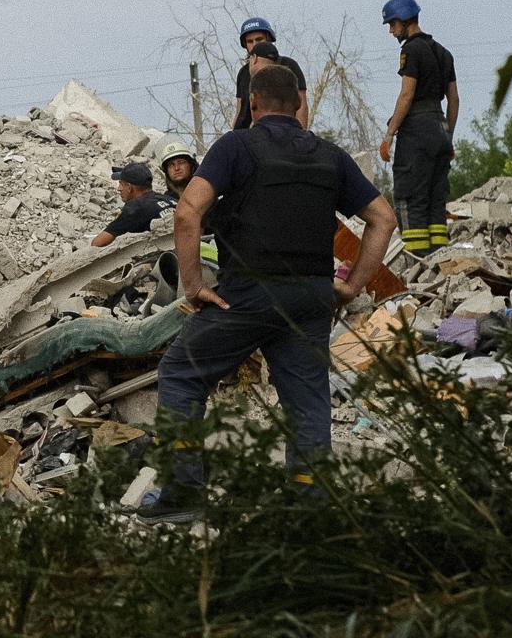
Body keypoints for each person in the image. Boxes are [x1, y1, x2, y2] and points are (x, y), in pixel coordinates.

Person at [139, 63, 398, 524]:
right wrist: (353, 285)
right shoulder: (330, 157)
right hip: (311, 298)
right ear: (298, 103)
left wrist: (195, 285)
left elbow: (186, 213)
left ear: (253, 104)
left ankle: (181, 495)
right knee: (308, 397)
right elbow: (383, 218)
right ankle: (307, 502)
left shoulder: (236, 147)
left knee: (181, 372)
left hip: (249, 294)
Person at [378, 0, 458, 254]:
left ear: (404, 20)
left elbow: (406, 95)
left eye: (392, 25)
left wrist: (389, 136)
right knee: (436, 199)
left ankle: (417, 260)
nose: (391, 31)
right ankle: (437, 257)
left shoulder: (410, 50)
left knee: (409, 196)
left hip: (418, 131)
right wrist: (449, 137)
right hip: (440, 127)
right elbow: (454, 100)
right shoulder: (444, 52)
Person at [232, 17, 309, 129]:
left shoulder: (288, 65)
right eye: (250, 41)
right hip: (249, 137)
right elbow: (240, 109)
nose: (254, 45)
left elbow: (301, 105)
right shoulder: (243, 73)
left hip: (284, 133)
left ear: (268, 39)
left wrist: (300, 136)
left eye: (259, 39)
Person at [91, 162, 173, 247]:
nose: (119, 189)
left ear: (129, 187)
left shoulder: (135, 208)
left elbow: (97, 244)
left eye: (121, 184)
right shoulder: (168, 199)